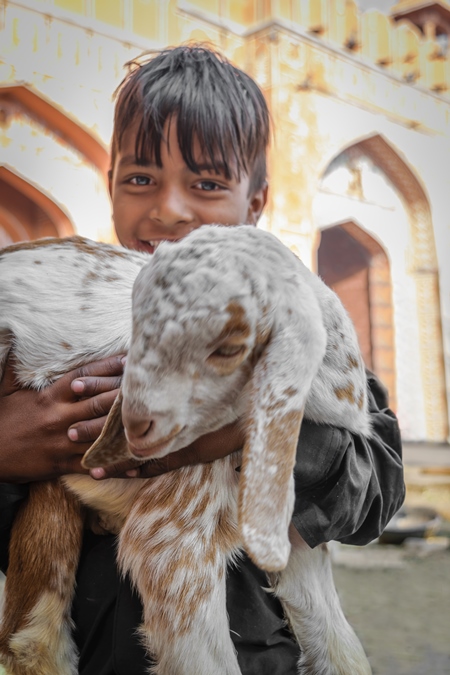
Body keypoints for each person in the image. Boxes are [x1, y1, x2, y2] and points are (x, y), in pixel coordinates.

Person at [0, 45, 405, 675]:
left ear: (255, 203)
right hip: (91, 644)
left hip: (255, 649)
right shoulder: (73, 327)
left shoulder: (294, 325)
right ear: (110, 189)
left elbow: (374, 488)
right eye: (140, 180)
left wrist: (260, 427)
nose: (169, 210)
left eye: (207, 185)